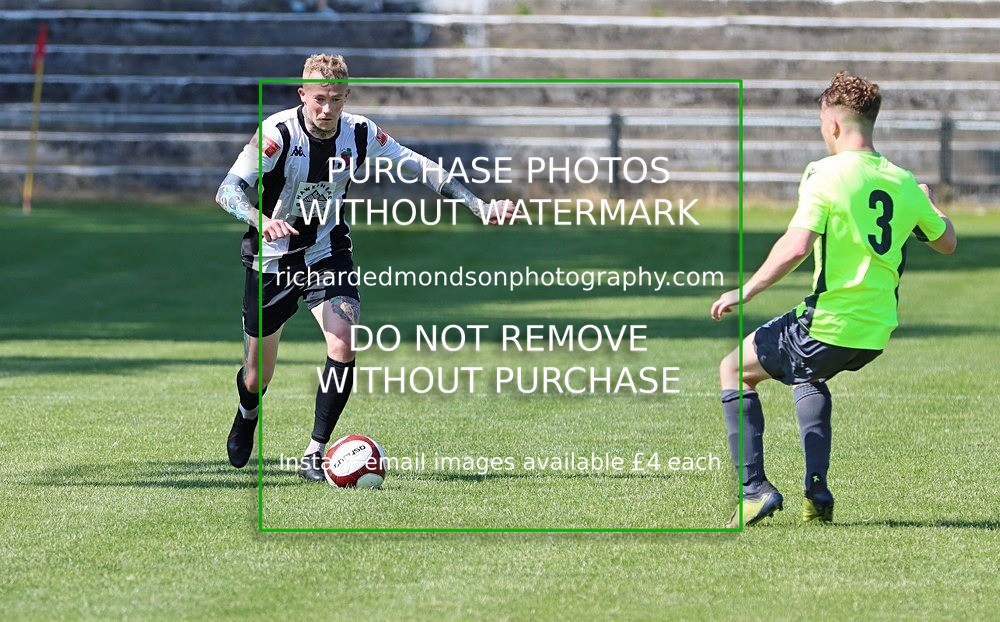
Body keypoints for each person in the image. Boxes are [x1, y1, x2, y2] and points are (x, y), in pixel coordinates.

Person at [216, 54, 515, 480]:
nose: (327, 108)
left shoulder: (360, 133)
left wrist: (479, 206)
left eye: (336, 99)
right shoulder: (276, 134)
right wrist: (261, 220)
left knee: (343, 342)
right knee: (256, 374)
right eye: (319, 98)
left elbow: (421, 168)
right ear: (303, 95)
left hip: (327, 253)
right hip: (272, 261)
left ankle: (314, 453)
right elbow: (227, 191)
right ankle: (247, 413)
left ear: (346, 97)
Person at [710, 71, 957, 527]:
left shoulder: (824, 173)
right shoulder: (903, 181)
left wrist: (744, 291)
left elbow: (796, 246)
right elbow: (947, 243)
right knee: (808, 372)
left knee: (733, 367)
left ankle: (753, 491)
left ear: (834, 125)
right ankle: (817, 493)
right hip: (876, 329)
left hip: (830, 320)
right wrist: (930, 202)